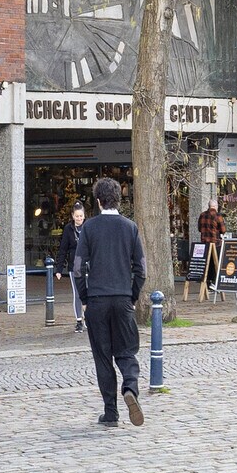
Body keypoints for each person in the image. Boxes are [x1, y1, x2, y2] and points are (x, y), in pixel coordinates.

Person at [75, 177, 147, 429]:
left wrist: (84, 298)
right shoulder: (130, 227)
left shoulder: (89, 228)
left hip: (96, 300)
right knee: (127, 351)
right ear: (119, 199)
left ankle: (111, 412)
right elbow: (141, 270)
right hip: (122, 298)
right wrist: (132, 295)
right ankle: (130, 387)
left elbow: (77, 268)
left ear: (97, 201)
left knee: (103, 357)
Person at [55, 202, 88, 333]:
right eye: (77, 216)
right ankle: (79, 320)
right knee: (78, 293)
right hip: (74, 265)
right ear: (73, 216)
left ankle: (88, 319)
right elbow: (63, 249)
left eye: (81, 216)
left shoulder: (88, 227)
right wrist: (58, 269)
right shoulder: (68, 229)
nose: (79, 219)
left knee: (89, 292)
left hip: (87, 265)